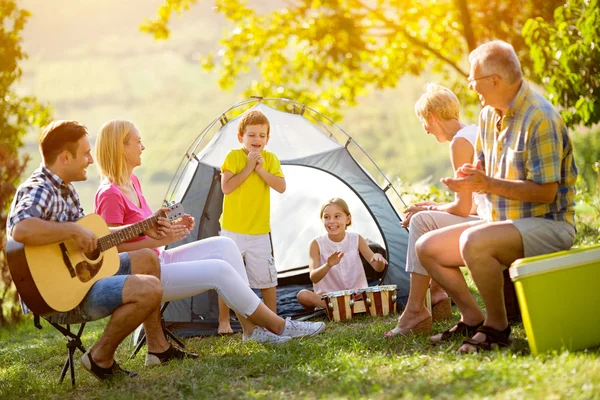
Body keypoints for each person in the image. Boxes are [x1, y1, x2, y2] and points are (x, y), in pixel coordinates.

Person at [93, 119, 325, 348]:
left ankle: (251, 330)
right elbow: (112, 251)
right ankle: (278, 325)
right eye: (138, 142)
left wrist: (168, 231)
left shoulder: (132, 181)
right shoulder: (110, 194)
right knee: (219, 269)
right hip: (142, 275)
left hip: (159, 259)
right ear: (120, 147)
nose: (143, 147)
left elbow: (141, 231)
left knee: (225, 246)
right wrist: (160, 239)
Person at [417, 40, 577, 353]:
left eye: (473, 80)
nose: (471, 87)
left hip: (548, 223)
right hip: (501, 221)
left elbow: (546, 192)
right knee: (428, 247)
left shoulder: (539, 118)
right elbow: (483, 170)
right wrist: (467, 181)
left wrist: (487, 183)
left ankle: (497, 328)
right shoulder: (489, 115)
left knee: (474, 242)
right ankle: (473, 318)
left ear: (495, 80)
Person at [7, 120, 194, 381]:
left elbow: (96, 239)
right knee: (149, 288)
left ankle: (158, 349)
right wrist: (72, 231)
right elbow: (21, 229)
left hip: (79, 277)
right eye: (85, 153)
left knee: (147, 259)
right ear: (65, 157)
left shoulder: (67, 191)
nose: (91, 160)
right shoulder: (40, 189)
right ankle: (100, 357)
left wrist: (144, 227)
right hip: (57, 295)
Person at [385, 83, 487, 337]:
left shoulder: (460, 143)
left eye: (424, 121)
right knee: (425, 218)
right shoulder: (472, 133)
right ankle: (437, 294)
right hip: (487, 214)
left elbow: (463, 207)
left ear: (431, 116)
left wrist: (429, 208)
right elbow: (473, 201)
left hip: (488, 222)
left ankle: (415, 309)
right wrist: (432, 207)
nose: (425, 129)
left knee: (421, 222)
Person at [217, 110, 285, 334]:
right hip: (232, 230)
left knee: (267, 279)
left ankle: (272, 321)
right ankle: (224, 322)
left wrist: (260, 169)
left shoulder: (271, 159)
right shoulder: (233, 157)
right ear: (241, 137)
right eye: (252, 135)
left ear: (267, 139)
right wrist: (248, 167)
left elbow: (281, 186)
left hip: (259, 231)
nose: (257, 140)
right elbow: (226, 188)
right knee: (227, 276)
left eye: (262, 136)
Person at [296, 198, 387, 309]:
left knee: (377, 294)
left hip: (357, 295)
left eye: (337, 216)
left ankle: (337, 308)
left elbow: (378, 268)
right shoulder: (315, 244)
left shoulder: (356, 239)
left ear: (348, 219)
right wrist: (328, 265)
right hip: (328, 297)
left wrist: (378, 258)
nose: (331, 221)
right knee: (303, 295)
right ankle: (335, 306)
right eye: (326, 217)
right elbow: (314, 277)